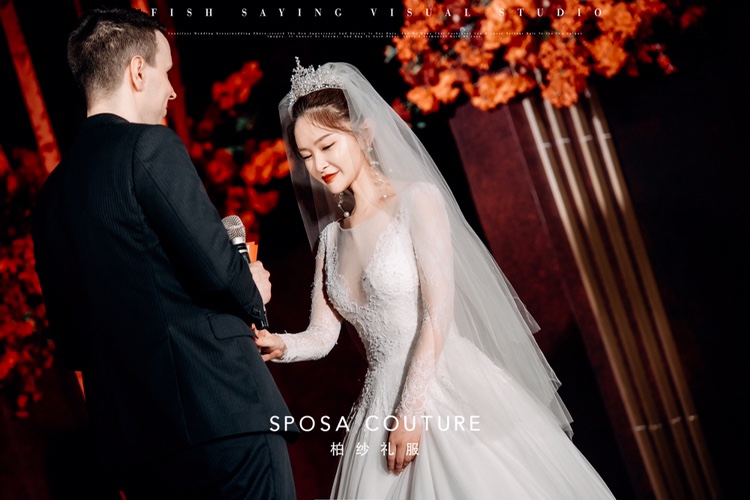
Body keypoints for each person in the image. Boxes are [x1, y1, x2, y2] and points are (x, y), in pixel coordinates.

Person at [253, 60, 617, 499]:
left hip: (442, 388)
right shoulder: (331, 240)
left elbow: (437, 314)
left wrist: (411, 412)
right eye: (307, 155)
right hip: (378, 401)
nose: (319, 165)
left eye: (327, 145)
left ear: (364, 135)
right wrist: (280, 345)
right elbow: (322, 336)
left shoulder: (416, 200)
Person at [31, 8, 297, 499]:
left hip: (135, 449)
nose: (172, 90)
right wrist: (252, 288)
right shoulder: (150, 147)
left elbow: (71, 343)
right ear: (137, 71)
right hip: (222, 417)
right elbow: (219, 271)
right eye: (165, 72)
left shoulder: (49, 200)